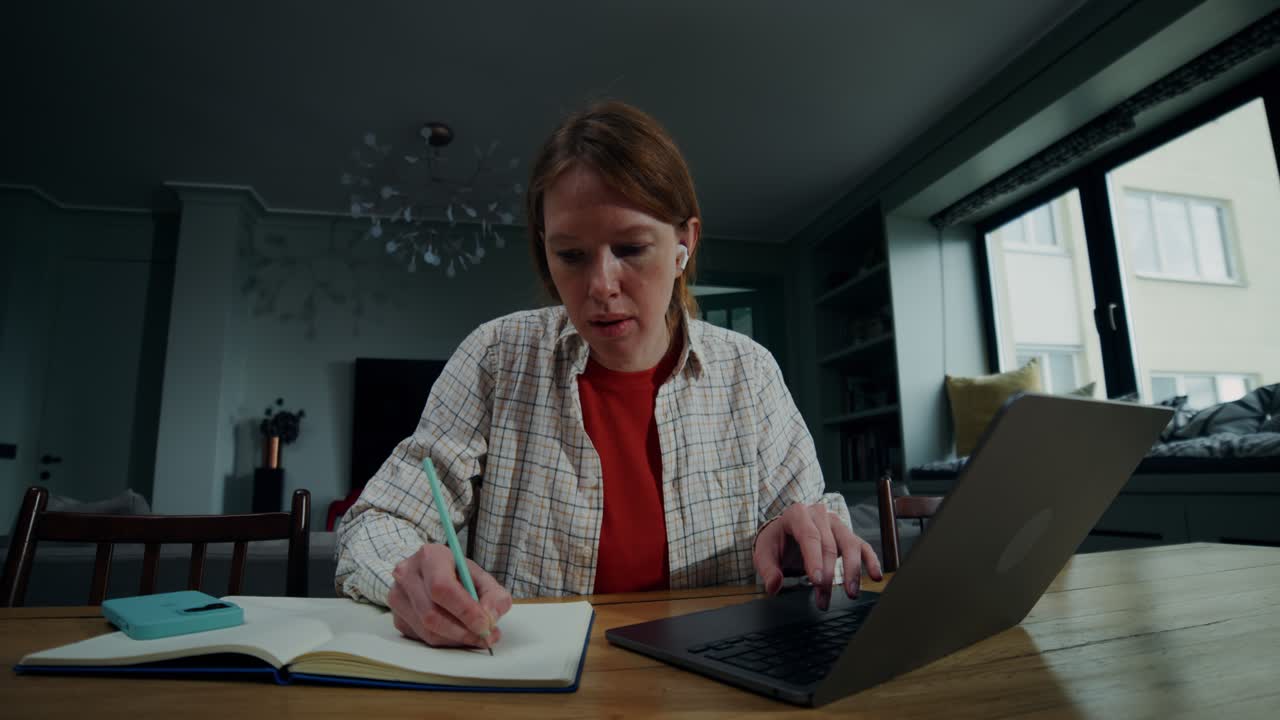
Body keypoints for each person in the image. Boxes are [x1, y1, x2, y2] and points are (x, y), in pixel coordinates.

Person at [334, 100, 882, 651]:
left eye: (631, 248)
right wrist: (409, 572)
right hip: (529, 678)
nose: (601, 284)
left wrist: (798, 541)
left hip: (717, 686)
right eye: (571, 255)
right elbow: (377, 521)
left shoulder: (751, 373)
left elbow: (813, 525)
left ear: (682, 245)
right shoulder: (495, 357)